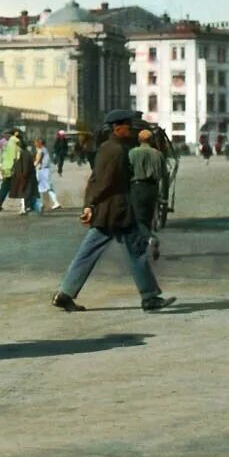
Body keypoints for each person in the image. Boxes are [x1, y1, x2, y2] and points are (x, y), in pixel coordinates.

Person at [51, 109, 175, 313]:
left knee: (94, 252)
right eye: (129, 125)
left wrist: (90, 204)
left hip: (112, 211)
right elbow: (103, 182)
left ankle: (65, 294)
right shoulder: (114, 150)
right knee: (134, 251)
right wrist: (90, 204)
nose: (132, 128)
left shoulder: (113, 147)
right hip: (116, 210)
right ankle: (150, 297)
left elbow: (96, 179)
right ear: (118, 128)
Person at [129, 128, 166, 259]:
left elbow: (128, 170)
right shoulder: (158, 154)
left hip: (138, 187)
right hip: (153, 188)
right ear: (151, 140)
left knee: (137, 219)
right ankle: (142, 247)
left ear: (139, 140)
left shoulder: (132, 153)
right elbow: (163, 174)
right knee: (148, 219)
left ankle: (151, 239)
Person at [0, 129, 20, 211]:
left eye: (7, 135)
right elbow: (1, 155)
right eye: (4, 135)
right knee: (5, 187)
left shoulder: (14, 144)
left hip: (12, 169)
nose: (5, 137)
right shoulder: (7, 144)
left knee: (8, 187)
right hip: (9, 169)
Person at [9, 135, 37, 215]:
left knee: (24, 193)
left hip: (24, 177)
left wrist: (22, 177)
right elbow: (17, 164)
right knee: (23, 193)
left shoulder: (25, 154)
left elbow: (25, 167)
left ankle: (25, 208)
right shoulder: (21, 153)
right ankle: (24, 208)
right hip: (21, 176)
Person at [33, 138, 62, 210]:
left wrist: (32, 167)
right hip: (46, 170)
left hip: (42, 171)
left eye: (35, 143)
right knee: (47, 187)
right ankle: (52, 203)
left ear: (39, 143)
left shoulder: (41, 150)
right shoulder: (45, 149)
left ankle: (41, 204)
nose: (34, 144)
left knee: (39, 187)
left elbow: (37, 161)